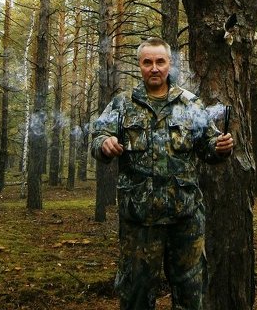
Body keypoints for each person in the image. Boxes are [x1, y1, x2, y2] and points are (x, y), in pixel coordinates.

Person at [91, 36, 234, 310]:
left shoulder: (191, 104)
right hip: (139, 222)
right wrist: (104, 144)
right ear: (140, 66)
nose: (154, 68)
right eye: (147, 62)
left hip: (185, 220)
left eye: (160, 62)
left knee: (191, 298)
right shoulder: (122, 104)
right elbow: (98, 137)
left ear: (170, 64)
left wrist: (221, 147)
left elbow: (208, 146)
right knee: (135, 297)